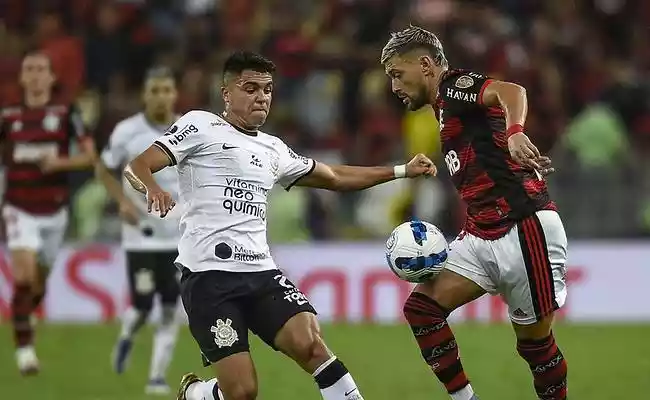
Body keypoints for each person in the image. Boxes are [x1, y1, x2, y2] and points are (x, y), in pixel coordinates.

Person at [126, 50, 435, 400]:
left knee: (312, 346)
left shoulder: (274, 149)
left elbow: (333, 175)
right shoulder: (200, 125)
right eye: (250, 88)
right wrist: (151, 187)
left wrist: (400, 170)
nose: (261, 97)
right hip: (209, 278)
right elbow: (139, 164)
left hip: (261, 273)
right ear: (226, 93)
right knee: (242, 392)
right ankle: (196, 394)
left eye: (268, 89)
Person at [380, 26, 567, 400]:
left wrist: (515, 131)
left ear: (426, 65)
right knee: (422, 310)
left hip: (524, 227)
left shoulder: (453, 87)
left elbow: (511, 91)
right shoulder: (443, 110)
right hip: (482, 231)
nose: (395, 86)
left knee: (534, 346)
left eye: (398, 75)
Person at [0, 51, 96, 375]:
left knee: (36, 287)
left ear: (52, 79)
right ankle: (25, 351)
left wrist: (60, 163)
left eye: (42, 69)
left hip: (54, 212)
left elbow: (89, 157)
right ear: (23, 78)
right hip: (18, 207)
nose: (36, 75)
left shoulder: (67, 112)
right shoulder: (8, 116)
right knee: (24, 277)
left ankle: (24, 317)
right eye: (30, 69)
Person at [95, 67, 183, 395]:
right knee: (144, 305)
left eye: (166, 90)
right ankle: (128, 335)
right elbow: (103, 168)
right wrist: (121, 202)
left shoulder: (186, 129)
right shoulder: (127, 132)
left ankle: (156, 377)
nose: (161, 97)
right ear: (145, 95)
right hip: (141, 238)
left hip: (179, 237)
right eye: (155, 90)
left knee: (172, 306)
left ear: (175, 94)